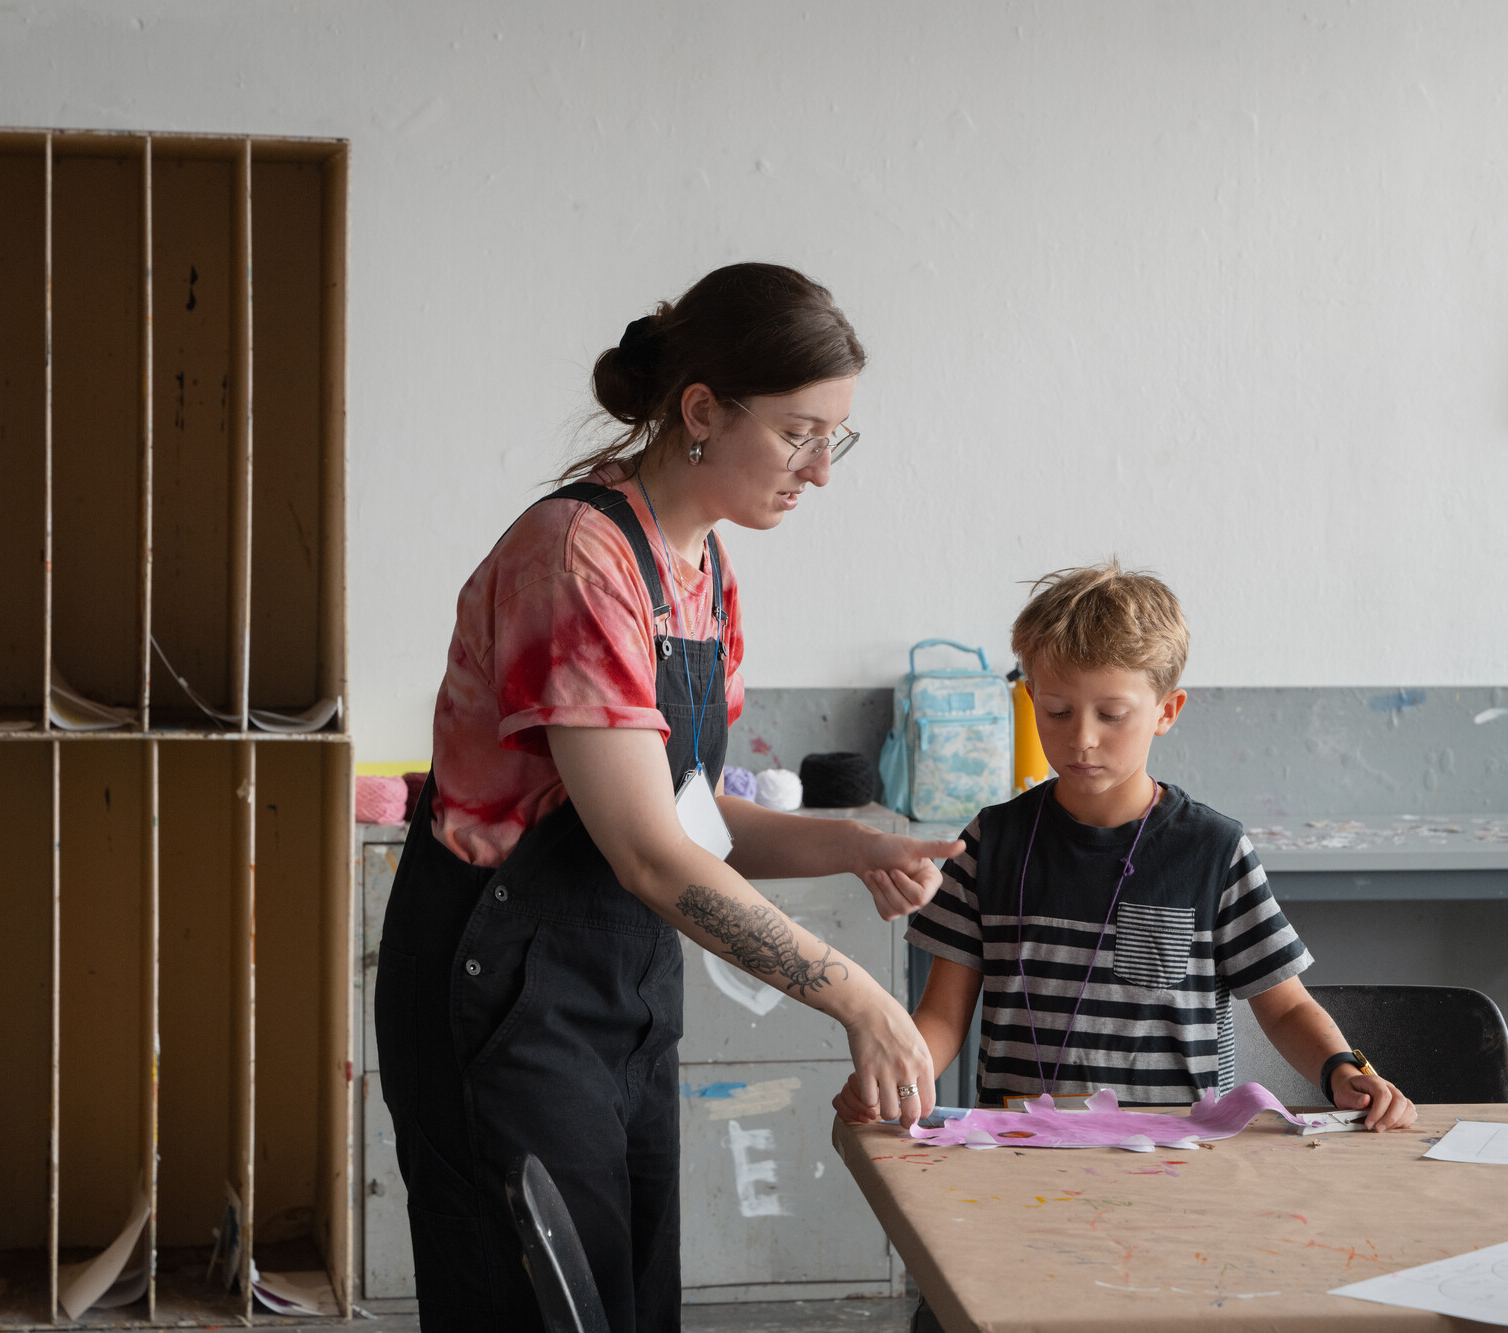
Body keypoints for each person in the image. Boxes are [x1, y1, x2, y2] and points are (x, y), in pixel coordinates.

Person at [374, 262, 962, 1333]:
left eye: (837, 436)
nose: (820, 471)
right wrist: (858, 996)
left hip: (619, 988)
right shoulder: (576, 557)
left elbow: (688, 816)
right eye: (798, 432)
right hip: (502, 991)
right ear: (701, 409)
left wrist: (847, 843)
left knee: (628, 1302)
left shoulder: (699, 569)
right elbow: (648, 852)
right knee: (538, 1306)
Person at [837, 561, 1419, 1127]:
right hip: (1019, 1155)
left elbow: (1285, 1004)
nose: (1082, 738)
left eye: (1112, 714)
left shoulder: (1213, 850)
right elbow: (942, 1012)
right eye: (1057, 710)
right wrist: (897, 1082)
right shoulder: (992, 842)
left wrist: (1342, 1067)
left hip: (1174, 1156)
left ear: (1167, 711)